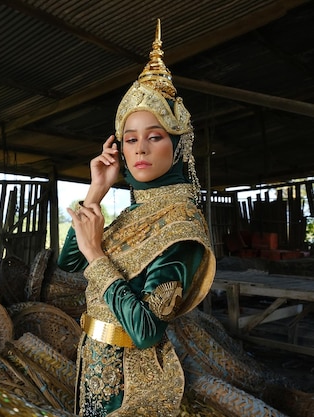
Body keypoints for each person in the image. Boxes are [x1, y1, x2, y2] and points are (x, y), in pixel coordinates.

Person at [59, 19, 216, 416]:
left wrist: (97, 254)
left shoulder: (181, 225)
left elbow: (146, 330)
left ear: (178, 146)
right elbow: (69, 262)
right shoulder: (134, 211)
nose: (140, 148)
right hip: (93, 366)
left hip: (133, 384)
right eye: (130, 139)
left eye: (156, 136)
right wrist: (97, 190)